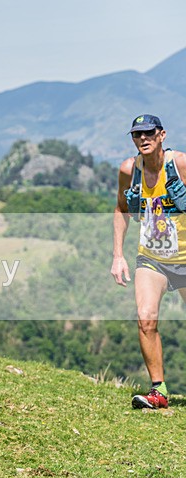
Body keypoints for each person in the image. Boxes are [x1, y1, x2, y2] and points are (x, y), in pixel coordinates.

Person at [112, 114, 186, 409]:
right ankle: (159, 391)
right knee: (145, 319)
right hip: (152, 258)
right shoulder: (129, 170)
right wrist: (118, 255)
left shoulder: (180, 165)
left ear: (162, 135)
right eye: (136, 134)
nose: (143, 138)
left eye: (149, 133)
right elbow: (121, 209)